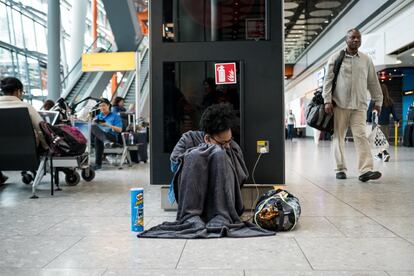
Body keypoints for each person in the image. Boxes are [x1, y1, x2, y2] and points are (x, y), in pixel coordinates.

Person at [138, 103, 274, 238]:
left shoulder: (231, 146)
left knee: (220, 154)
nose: (228, 146)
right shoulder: (188, 139)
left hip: (222, 196)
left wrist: (219, 154)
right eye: (223, 143)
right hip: (194, 192)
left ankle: (221, 214)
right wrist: (203, 154)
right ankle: (191, 215)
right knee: (197, 155)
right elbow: (176, 165)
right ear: (207, 138)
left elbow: (240, 175)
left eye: (229, 140)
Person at [323, 28, 383, 182]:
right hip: (339, 104)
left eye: (358, 38)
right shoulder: (336, 57)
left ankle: (365, 170)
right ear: (346, 40)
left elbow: (373, 82)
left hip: (359, 105)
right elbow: (328, 80)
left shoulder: (366, 59)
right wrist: (327, 100)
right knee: (338, 137)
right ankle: (340, 168)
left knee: (361, 136)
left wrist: (378, 101)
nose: (356, 40)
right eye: (352, 37)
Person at [0, 77, 48, 184]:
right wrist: (46, 146)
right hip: (27, 151)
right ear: (18, 91)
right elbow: (41, 129)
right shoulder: (26, 107)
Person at [367, 83, 399, 162]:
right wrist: (396, 120)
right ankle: (380, 155)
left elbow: (369, 111)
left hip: (377, 123)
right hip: (386, 123)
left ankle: (385, 153)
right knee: (383, 140)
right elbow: (394, 113)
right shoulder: (390, 101)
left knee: (379, 140)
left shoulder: (374, 100)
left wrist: (368, 120)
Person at [91, 98, 123, 170]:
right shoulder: (98, 116)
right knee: (91, 127)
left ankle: (98, 164)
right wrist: (93, 122)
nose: (102, 107)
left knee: (97, 138)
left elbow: (120, 130)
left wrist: (107, 125)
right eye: (100, 106)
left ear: (108, 106)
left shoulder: (115, 116)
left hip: (111, 136)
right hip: (101, 138)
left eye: (104, 105)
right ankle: (105, 142)